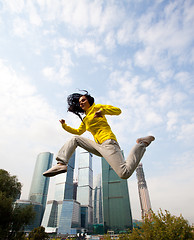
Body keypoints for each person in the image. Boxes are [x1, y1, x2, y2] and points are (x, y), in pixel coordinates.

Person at [43, 91, 155, 179]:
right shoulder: (86, 119)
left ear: (89, 101)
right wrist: (64, 125)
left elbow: (118, 111)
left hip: (108, 142)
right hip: (98, 146)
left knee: (124, 173)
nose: (81, 102)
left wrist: (103, 112)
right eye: (79, 102)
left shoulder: (97, 107)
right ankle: (61, 163)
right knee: (75, 139)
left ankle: (142, 143)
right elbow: (78, 132)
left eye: (83, 100)